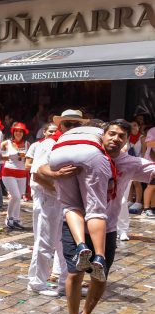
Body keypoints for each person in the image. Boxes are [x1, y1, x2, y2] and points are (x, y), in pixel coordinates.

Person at [41, 120, 154, 314]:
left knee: (99, 276)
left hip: (107, 229)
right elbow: (40, 169)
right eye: (111, 133)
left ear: (126, 141)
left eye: (121, 136)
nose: (115, 138)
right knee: (74, 274)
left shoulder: (129, 162)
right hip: (74, 226)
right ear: (102, 135)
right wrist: (55, 173)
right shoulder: (84, 153)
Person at [46, 110, 113, 279]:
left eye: (74, 123)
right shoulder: (100, 132)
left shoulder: (61, 137)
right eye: (68, 124)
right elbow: (112, 151)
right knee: (95, 209)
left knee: (70, 206)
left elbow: (41, 167)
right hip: (90, 153)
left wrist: (55, 174)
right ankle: (99, 256)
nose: (72, 126)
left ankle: (81, 246)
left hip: (58, 155)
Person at [26, 122, 67, 295]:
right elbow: (37, 174)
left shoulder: (70, 144)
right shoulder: (49, 144)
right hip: (49, 199)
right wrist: (58, 191)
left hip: (63, 201)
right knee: (44, 241)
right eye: (69, 124)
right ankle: (36, 282)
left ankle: (67, 282)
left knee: (64, 243)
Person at [0, 122, 30, 231]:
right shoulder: (6, 143)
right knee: (16, 196)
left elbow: (30, 158)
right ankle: (9, 218)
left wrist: (24, 156)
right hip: (8, 172)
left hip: (22, 173)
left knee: (18, 197)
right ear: (13, 132)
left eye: (20, 131)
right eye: (16, 131)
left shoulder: (27, 144)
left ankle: (16, 219)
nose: (18, 133)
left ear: (23, 133)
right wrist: (10, 156)